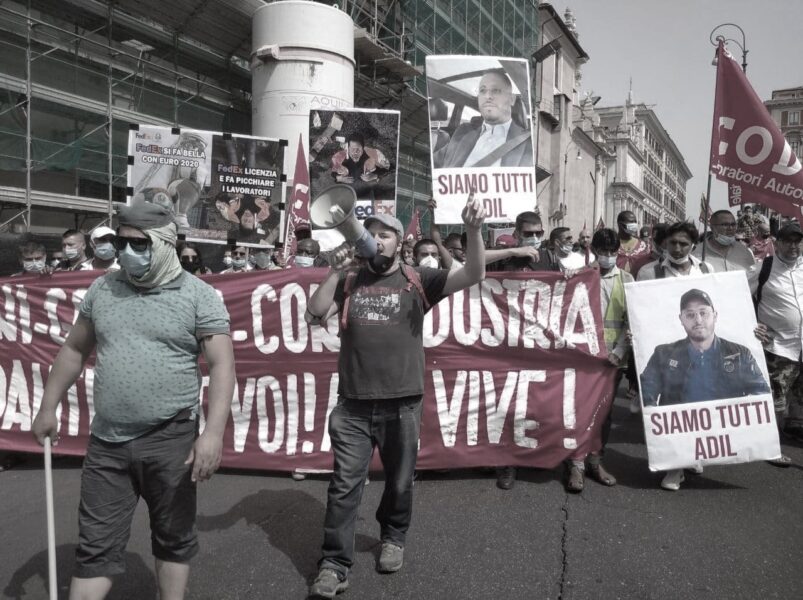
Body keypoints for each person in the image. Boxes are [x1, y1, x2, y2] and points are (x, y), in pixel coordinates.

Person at [31, 201, 234, 600]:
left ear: (163, 244)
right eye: (121, 242)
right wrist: (47, 406)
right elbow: (74, 350)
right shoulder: (103, 289)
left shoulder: (199, 297)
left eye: (138, 244)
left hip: (171, 439)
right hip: (107, 443)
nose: (125, 252)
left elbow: (222, 365)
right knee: (95, 547)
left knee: (173, 535)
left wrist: (212, 433)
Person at [305, 194, 486, 599]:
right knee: (343, 486)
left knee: (400, 482)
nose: (376, 241)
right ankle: (334, 564)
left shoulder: (419, 278)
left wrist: (473, 230)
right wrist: (333, 274)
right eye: (369, 234)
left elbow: (473, 273)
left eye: (384, 235)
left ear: (399, 242)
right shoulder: (349, 280)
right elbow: (314, 314)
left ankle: (393, 536)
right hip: (352, 405)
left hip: (402, 403)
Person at [640, 287, 770, 490]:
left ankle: (697, 456)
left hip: (719, 426)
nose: (698, 320)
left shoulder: (739, 353)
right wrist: (651, 412)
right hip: (680, 425)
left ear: (715, 316)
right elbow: (648, 384)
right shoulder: (664, 353)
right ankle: (676, 466)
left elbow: (761, 390)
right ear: (681, 319)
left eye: (703, 313)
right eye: (690, 315)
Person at [566, 228, 631, 493]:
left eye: (612, 252)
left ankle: (595, 460)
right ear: (593, 250)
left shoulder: (627, 279)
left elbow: (631, 320)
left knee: (603, 413)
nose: (607, 257)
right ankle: (576, 463)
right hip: (583, 356)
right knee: (578, 410)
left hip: (612, 358)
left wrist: (619, 350)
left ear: (619, 252)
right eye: (602, 251)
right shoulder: (580, 276)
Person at [750, 221, 803, 464]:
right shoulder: (763, 268)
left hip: (801, 347)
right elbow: (738, 296)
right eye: (788, 241)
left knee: (798, 399)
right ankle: (772, 447)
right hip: (777, 347)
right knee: (775, 401)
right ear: (778, 243)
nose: (794, 245)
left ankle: (792, 431)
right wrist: (751, 324)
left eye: (798, 241)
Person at [433, 69, 533, 169]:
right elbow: (432, 164)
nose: (487, 96)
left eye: (496, 90)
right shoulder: (462, 133)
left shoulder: (529, 144)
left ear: (511, 99)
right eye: (482, 90)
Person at [637, 221, 713, 282]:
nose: (677, 249)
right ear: (666, 243)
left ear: (693, 247)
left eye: (683, 244)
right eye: (673, 243)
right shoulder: (648, 272)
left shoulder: (706, 270)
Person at [332, 132, 390, 201]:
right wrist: (339, 178)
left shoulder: (374, 154)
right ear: (348, 147)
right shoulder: (338, 157)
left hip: (368, 193)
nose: (355, 152)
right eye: (352, 149)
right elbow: (333, 174)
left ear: (363, 147)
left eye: (358, 149)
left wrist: (374, 176)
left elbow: (388, 170)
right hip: (347, 193)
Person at [615, 211, 652, 277]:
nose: (634, 224)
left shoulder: (644, 246)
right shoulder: (611, 244)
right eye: (630, 222)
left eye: (635, 222)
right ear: (620, 224)